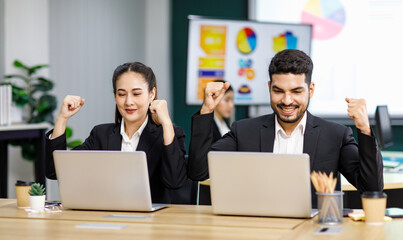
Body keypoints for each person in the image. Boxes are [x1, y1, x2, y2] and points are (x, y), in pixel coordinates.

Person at [188, 49, 383, 207]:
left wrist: (364, 129)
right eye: (278, 91)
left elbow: (371, 188)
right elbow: (199, 172)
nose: (287, 101)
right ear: (269, 87)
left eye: (296, 91)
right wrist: (206, 111)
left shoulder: (335, 135)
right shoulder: (244, 131)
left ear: (311, 90)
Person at [45, 62, 187, 204]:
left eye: (136, 94)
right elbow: (55, 171)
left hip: (152, 221)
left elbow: (174, 182)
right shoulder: (100, 135)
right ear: (115, 96)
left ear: (152, 94)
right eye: (121, 94)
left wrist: (167, 123)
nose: (129, 102)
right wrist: (62, 118)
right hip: (107, 217)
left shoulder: (169, 134)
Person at [211, 80, 234, 144]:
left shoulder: (225, 122)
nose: (231, 105)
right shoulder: (207, 125)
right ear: (215, 98)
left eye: (232, 100)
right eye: (227, 100)